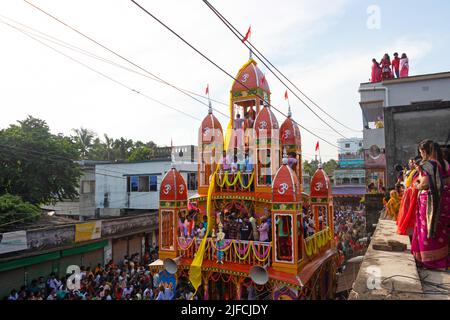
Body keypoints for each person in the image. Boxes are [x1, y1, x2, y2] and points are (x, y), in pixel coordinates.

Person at [411, 140, 450, 269]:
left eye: (422, 152)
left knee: (428, 229)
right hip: (443, 200)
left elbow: (425, 184)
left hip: (428, 201)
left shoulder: (428, 164)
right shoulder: (444, 163)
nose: (421, 155)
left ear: (426, 151)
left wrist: (416, 184)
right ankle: (441, 260)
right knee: (440, 230)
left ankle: (429, 261)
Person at [397, 157, 421, 235]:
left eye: (413, 163)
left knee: (410, 213)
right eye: (411, 162)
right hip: (409, 193)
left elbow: (415, 183)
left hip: (413, 194)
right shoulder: (411, 172)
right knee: (406, 212)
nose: (412, 164)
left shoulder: (418, 172)